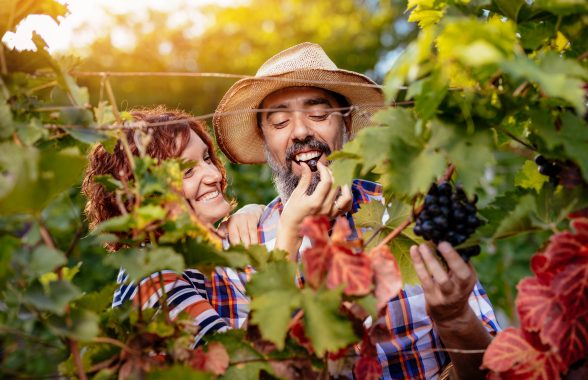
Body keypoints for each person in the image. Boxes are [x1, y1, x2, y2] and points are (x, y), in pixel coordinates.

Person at [213, 42, 500, 379]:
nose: (302, 131)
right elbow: (247, 369)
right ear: (264, 138)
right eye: (278, 122)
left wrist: (455, 319)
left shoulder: (413, 215)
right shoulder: (239, 246)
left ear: (347, 123)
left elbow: (492, 371)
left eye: (319, 115)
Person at [82, 106, 263, 345]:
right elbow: (237, 363)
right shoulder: (153, 277)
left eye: (207, 158)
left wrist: (257, 211)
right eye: (187, 171)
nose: (213, 175)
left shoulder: (188, 259)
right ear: (142, 195)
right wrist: (288, 232)